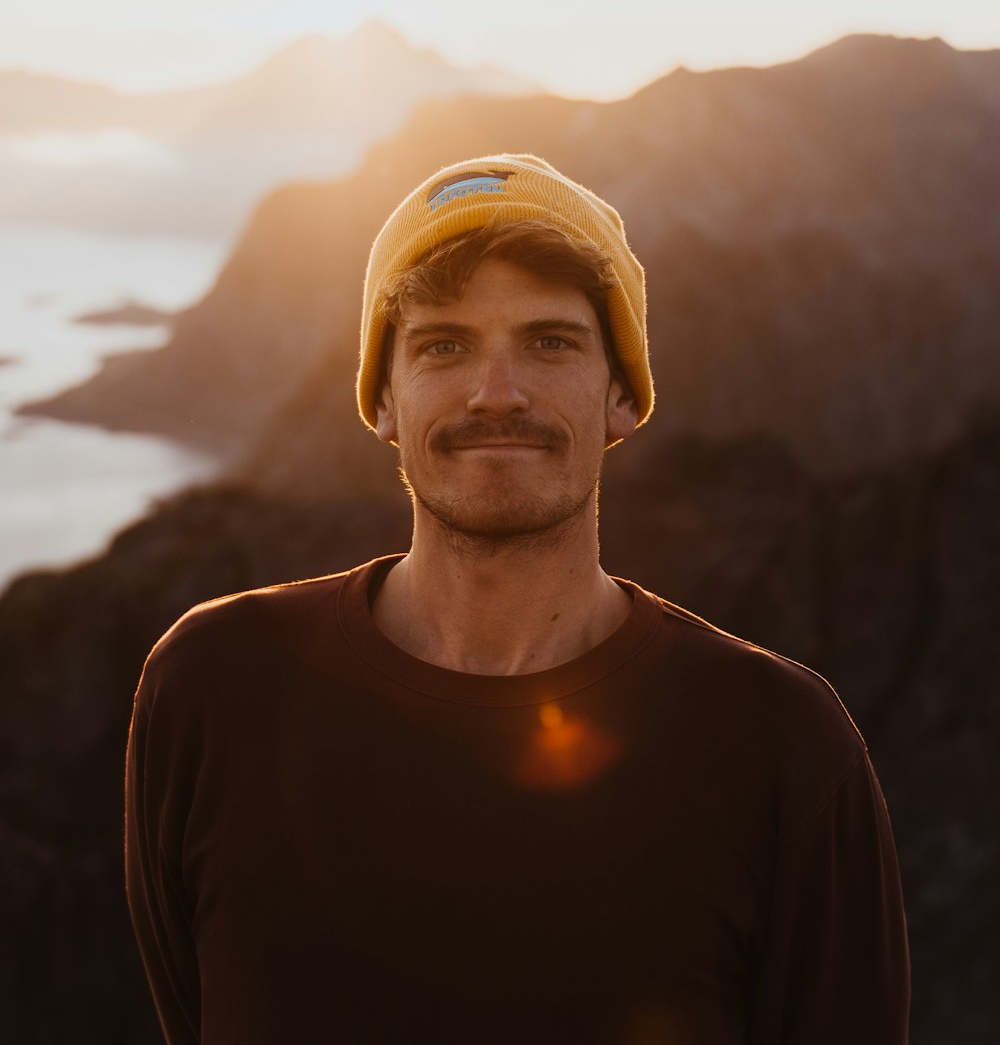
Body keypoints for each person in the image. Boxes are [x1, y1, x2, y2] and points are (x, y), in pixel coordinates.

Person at [125, 154, 910, 1044]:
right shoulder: (215, 687)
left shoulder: (782, 744)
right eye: (443, 345)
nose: (495, 394)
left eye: (550, 341)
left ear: (622, 394)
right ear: (382, 399)